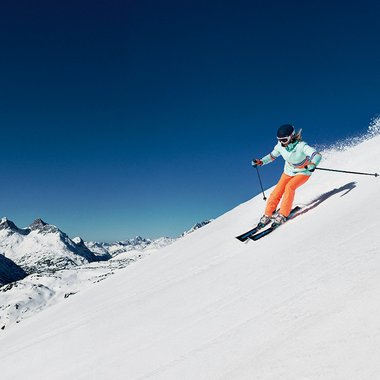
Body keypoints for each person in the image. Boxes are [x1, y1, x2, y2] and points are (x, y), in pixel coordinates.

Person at [252, 124, 322, 227]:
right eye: (279, 140)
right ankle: (268, 213)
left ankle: (283, 214)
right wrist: (261, 162)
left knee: (289, 187)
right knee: (277, 191)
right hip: (288, 172)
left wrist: (313, 163)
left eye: (284, 140)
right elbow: (272, 156)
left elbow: (316, 155)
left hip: (303, 172)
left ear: (291, 136)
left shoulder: (301, 146)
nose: (281, 143)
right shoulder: (280, 146)